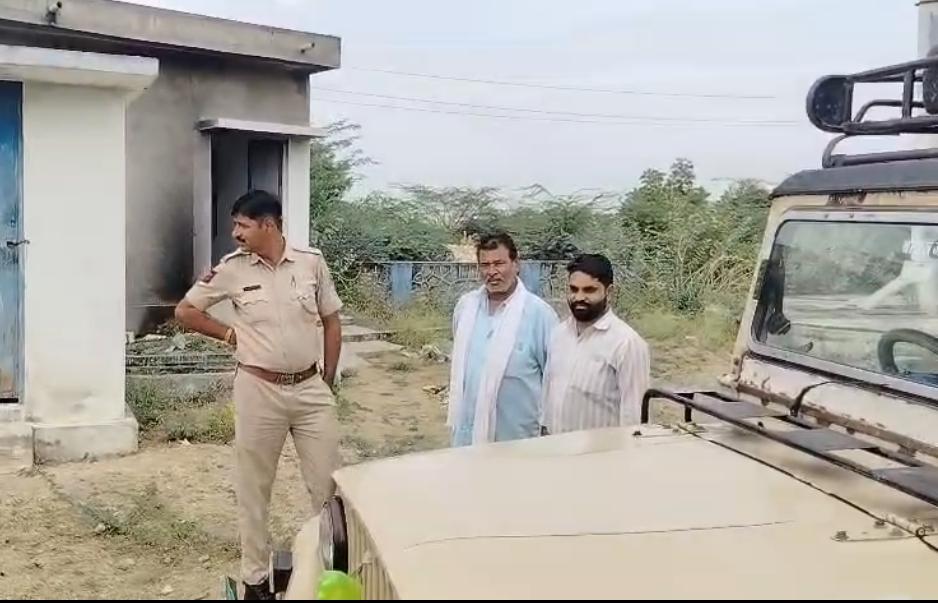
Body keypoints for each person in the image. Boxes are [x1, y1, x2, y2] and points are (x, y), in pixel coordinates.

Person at [174, 190, 343, 600]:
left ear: (269, 225)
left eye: (243, 225)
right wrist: (228, 334)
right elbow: (186, 310)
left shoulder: (311, 263)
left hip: (310, 390)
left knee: (328, 487)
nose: (235, 233)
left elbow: (331, 321)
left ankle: (331, 574)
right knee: (254, 489)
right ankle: (254, 580)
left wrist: (327, 378)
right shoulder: (232, 269)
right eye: (235, 225)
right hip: (258, 389)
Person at [448, 232, 558, 446]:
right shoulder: (466, 307)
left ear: (516, 264)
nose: (492, 272)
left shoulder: (540, 315)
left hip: (518, 441)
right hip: (466, 439)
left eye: (499, 263)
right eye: (485, 265)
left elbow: (554, 381)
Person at [541, 254, 651, 435]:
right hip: (555, 447)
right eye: (573, 289)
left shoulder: (626, 343)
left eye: (589, 290)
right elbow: (548, 392)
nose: (579, 297)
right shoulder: (558, 334)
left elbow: (634, 416)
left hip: (602, 451)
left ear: (609, 292)